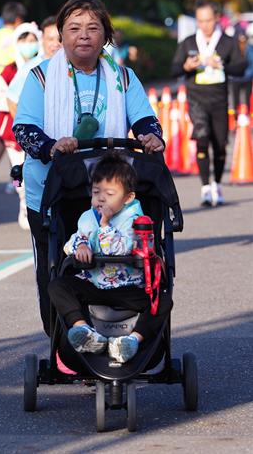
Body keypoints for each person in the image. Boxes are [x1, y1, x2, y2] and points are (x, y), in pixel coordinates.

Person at [13, 0, 164, 336]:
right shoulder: (40, 77)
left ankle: (123, 332)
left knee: (119, 261)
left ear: (105, 36)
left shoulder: (122, 76)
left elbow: (143, 118)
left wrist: (151, 137)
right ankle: (68, 344)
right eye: (74, 28)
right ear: (61, 35)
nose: (84, 35)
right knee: (56, 268)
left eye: (93, 28)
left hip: (111, 190)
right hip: (53, 190)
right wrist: (51, 146)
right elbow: (24, 128)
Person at [47, 152, 172, 363]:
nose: (101, 198)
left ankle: (132, 341)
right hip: (94, 284)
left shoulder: (137, 220)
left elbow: (122, 248)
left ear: (128, 197)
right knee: (57, 286)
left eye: (110, 193)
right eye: (96, 192)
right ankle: (84, 332)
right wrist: (82, 245)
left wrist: (105, 226)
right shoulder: (88, 217)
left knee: (163, 301)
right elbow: (72, 242)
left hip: (130, 288)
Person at [171, 0, 246, 207]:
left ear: (216, 19)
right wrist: (186, 66)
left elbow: (240, 67)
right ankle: (205, 187)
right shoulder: (188, 42)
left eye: (209, 20)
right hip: (196, 97)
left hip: (219, 98)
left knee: (220, 144)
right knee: (202, 137)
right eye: (200, 21)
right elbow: (175, 69)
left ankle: (217, 184)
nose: (204, 25)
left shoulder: (227, 42)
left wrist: (220, 64)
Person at [0, 22, 42, 230]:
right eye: (24, 40)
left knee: (35, 173)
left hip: (38, 132)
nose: (29, 44)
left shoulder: (43, 66)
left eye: (32, 40)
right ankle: (21, 202)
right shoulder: (10, 70)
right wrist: (16, 107)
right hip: (12, 133)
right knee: (17, 173)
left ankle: (33, 205)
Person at [0, 1, 27, 190]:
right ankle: (15, 182)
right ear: (18, 19)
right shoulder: (18, 38)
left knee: (2, 137)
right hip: (11, 98)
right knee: (15, 143)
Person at [7, 15, 61, 118]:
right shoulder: (31, 68)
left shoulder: (71, 64)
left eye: (60, 39)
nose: (56, 43)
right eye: (50, 39)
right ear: (42, 40)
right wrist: (24, 128)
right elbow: (11, 99)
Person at [230, 23, 253, 111]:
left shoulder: (250, 49)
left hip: (246, 78)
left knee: (248, 100)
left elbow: (252, 64)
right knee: (235, 101)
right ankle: (236, 118)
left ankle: (247, 117)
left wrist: (247, 75)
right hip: (235, 79)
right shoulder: (232, 49)